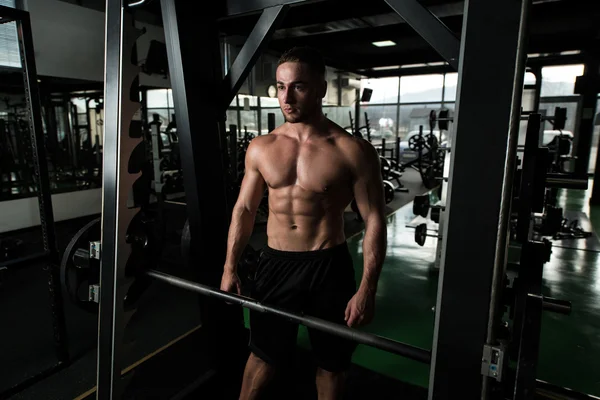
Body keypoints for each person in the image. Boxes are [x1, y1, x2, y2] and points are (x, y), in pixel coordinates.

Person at [220, 46, 387, 400]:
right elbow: (244, 210)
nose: (287, 97)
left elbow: (374, 219)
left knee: (331, 364)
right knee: (263, 355)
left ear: (321, 89)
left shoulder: (351, 150)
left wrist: (367, 289)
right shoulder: (261, 147)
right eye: (280, 87)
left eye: (298, 86)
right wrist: (229, 267)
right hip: (275, 264)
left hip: (328, 266)